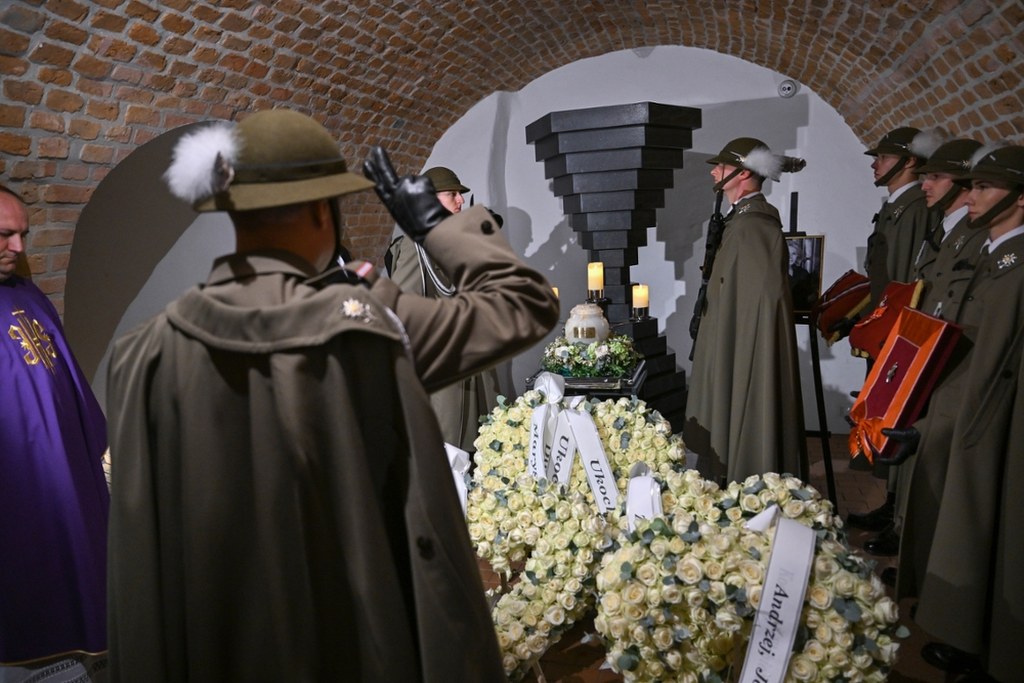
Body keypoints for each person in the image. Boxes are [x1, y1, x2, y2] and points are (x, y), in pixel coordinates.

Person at [104, 109, 560, 681]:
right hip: (353, 642)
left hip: (218, 649)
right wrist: (435, 228)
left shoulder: (141, 354)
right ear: (325, 211)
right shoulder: (365, 330)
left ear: (233, 214)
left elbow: (137, 556)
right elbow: (525, 304)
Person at [881, 144, 1024, 683]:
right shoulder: (993, 256)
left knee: (989, 527)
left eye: (984, 187)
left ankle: (992, 651)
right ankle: (971, 635)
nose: (972, 195)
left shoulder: (1013, 268)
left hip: (986, 418)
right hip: (956, 407)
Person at [0, 185, 109, 677]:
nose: (18, 247)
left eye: (23, 234)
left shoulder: (29, 295)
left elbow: (68, 382)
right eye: (5, 235)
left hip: (61, 473)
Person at [683, 137, 808, 484]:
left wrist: (737, 348)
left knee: (740, 405)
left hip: (739, 345)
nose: (714, 173)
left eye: (721, 166)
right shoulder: (739, 220)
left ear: (742, 173)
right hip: (726, 339)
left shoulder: (754, 226)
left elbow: (761, 304)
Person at [843, 126, 939, 546]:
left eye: (883, 157)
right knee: (886, 415)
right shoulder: (898, 206)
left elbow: (907, 279)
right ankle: (891, 505)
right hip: (887, 325)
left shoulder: (914, 208)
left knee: (898, 415)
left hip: (899, 328)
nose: (875, 165)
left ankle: (897, 510)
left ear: (909, 161)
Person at [385, 167, 501, 452]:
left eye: (459, 195)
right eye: (452, 194)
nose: (460, 201)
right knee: (450, 446)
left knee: (482, 444)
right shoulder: (415, 246)